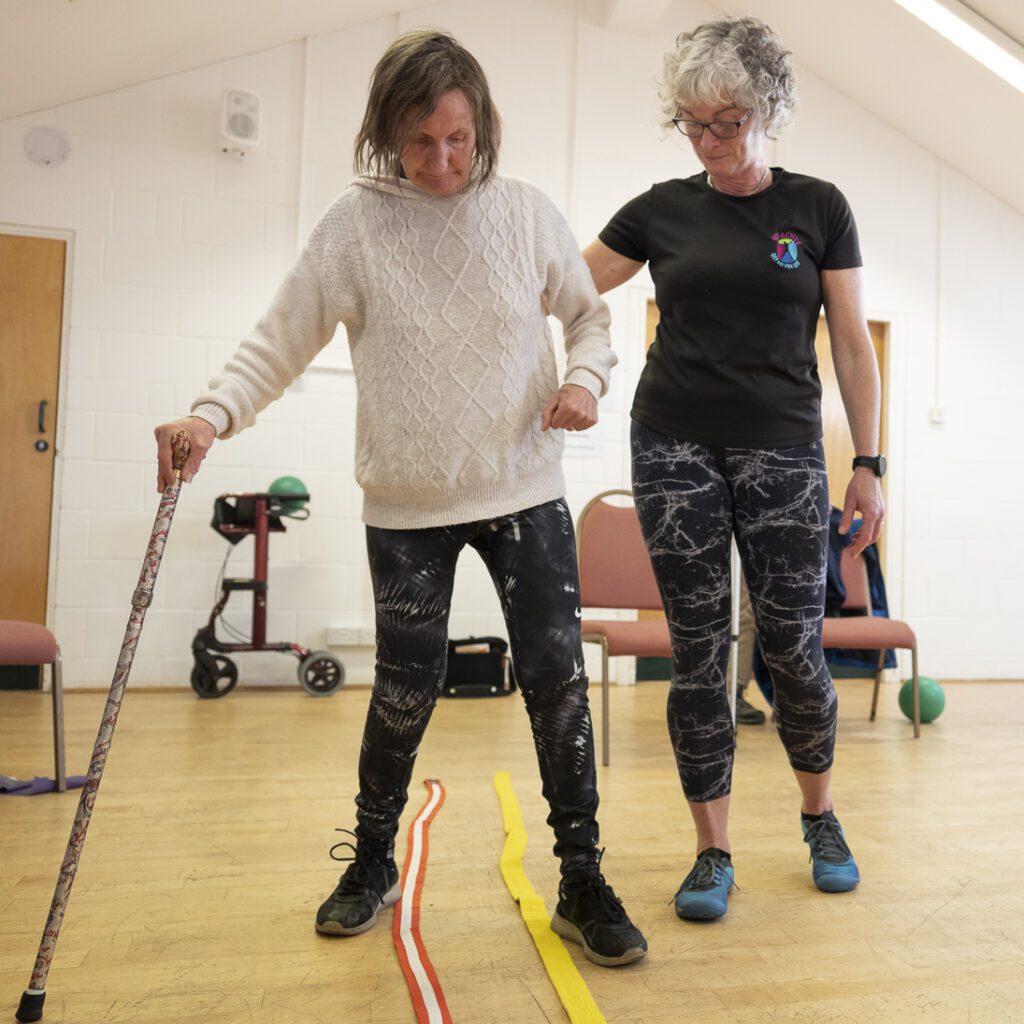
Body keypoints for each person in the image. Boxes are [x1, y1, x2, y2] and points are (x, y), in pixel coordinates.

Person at [154, 30, 646, 966]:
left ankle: (583, 878)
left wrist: (584, 382)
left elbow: (589, 316)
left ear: (483, 128)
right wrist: (210, 416)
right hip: (407, 504)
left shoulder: (528, 214)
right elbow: (279, 338)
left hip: (524, 488)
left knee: (557, 685)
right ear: (388, 132)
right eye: (422, 142)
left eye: (460, 139)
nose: (443, 161)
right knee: (403, 692)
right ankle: (370, 860)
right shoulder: (354, 224)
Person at [583, 16, 884, 920]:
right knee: (699, 652)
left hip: (786, 448)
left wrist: (868, 463)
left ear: (769, 109)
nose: (711, 141)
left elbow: (855, 351)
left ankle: (820, 817)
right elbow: (560, 285)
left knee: (793, 645)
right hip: (672, 441)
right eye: (693, 123)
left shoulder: (819, 208)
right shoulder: (660, 210)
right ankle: (712, 851)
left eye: (729, 120)